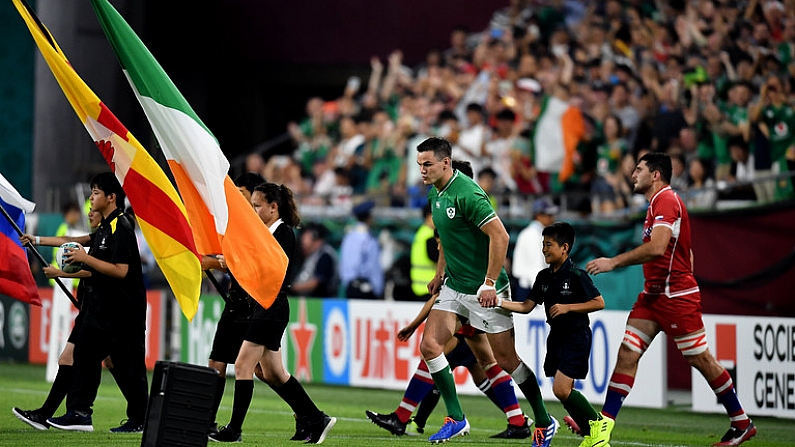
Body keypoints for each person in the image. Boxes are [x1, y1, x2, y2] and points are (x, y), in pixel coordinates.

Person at [584, 153, 756, 447]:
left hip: (675, 297)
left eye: (639, 170)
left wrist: (614, 262)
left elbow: (658, 247)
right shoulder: (655, 205)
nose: (633, 174)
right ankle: (602, 432)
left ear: (655, 175)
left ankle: (741, 423)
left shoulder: (666, 200)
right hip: (652, 296)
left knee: (699, 358)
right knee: (627, 353)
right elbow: (684, 251)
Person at [415, 137, 557, 446]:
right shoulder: (435, 194)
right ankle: (456, 417)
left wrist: (490, 282)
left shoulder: (468, 194)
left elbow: (501, 236)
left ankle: (544, 419)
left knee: (507, 361)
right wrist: (440, 274)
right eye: (419, 165)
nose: (422, 170)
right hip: (455, 286)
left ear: (445, 163)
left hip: (485, 289)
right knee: (429, 346)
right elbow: (447, 240)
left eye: (427, 164)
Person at [367, 230, 531, 439]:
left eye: (439, 242)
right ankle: (518, 420)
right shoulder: (466, 253)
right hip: (475, 309)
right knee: (486, 364)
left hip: (468, 311)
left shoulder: (456, 259)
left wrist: (414, 325)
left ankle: (404, 417)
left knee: (433, 353)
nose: (438, 248)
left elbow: (437, 300)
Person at [210, 183, 336, 444]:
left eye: (257, 205)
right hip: (265, 306)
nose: (253, 210)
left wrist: (232, 263)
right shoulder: (266, 232)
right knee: (273, 373)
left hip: (270, 307)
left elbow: (268, 272)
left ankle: (234, 430)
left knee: (244, 365)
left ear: (273, 207)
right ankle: (315, 417)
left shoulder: (283, 234)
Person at [34, 173, 149, 433]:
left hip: (125, 312)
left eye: (96, 192)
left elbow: (120, 271)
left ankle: (141, 417)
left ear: (111, 198)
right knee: (84, 355)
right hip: (105, 310)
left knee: (127, 367)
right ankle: (79, 413)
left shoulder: (122, 227)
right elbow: (75, 243)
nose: (91, 198)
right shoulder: (105, 229)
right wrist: (37, 240)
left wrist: (81, 262)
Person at [488, 222, 608, 447]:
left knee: (561, 389)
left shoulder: (576, 275)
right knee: (563, 391)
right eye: (543, 244)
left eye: (549, 245)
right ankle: (590, 432)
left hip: (576, 336)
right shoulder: (543, 277)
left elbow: (599, 302)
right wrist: (499, 302)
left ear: (565, 248)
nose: (544, 249)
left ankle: (596, 422)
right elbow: (526, 306)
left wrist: (568, 308)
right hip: (556, 338)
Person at [13, 210, 107, 431]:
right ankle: (49, 414)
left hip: (103, 310)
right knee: (69, 359)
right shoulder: (99, 235)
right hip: (90, 307)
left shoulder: (110, 237)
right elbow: (69, 241)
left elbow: (99, 272)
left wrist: (61, 274)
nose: (89, 212)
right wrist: (36, 240)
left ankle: (84, 414)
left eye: (93, 209)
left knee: (112, 364)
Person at [203, 172, 264, 433]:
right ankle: (207, 421)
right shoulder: (238, 224)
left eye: (242, 194)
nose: (237, 200)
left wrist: (217, 263)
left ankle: (307, 413)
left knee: (264, 371)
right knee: (217, 363)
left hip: (252, 308)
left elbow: (251, 265)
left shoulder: (262, 228)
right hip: (235, 305)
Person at [512, 198, 558, 302]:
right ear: (539, 216)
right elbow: (535, 267)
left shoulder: (540, 234)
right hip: (528, 288)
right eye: (549, 215)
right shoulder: (531, 234)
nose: (552, 218)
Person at [339, 200, 384, 299]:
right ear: (368, 217)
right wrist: (377, 289)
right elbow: (373, 267)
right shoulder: (367, 240)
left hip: (350, 286)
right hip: (364, 287)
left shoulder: (349, 237)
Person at [291, 222, 339, 297]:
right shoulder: (310, 254)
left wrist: (292, 288)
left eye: (307, 237)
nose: (303, 241)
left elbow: (316, 283)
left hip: (322, 301)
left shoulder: (325, 255)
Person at [409, 204, 438, 301]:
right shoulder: (430, 236)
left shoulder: (421, 233)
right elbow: (436, 258)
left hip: (419, 287)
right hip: (429, 289)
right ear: (429, 216)